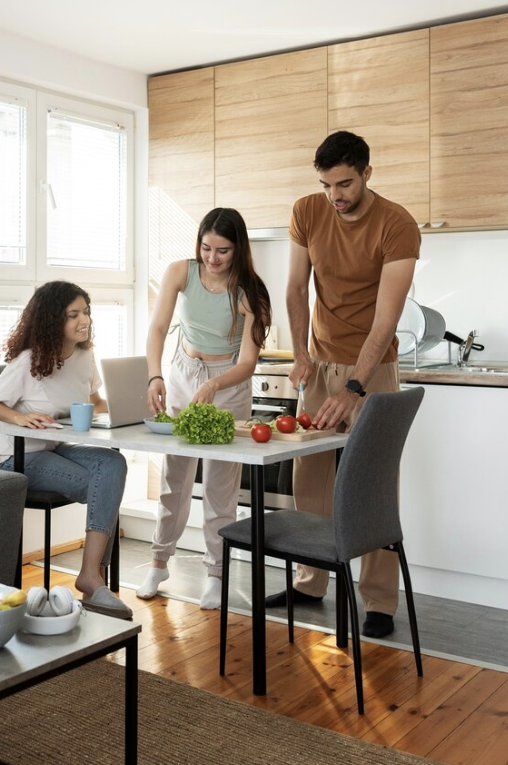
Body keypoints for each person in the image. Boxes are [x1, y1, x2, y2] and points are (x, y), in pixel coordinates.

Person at [275, 129, 421, 639]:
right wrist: (300, 355)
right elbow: (295, 288)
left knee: (372, 483)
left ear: (366, 173)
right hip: (319, 363)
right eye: (326, 184)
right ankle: (310, 582)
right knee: (309, 477)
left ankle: (378, 600)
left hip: (373, 369)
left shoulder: (397, 224)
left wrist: (354, 386)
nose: (334, 195)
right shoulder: (308, 211)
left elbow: (387, 316)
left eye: (344, 183)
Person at [138, 208, 272, 610]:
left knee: (219, 488)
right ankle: (159, 562)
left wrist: (215, 383)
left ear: (239, 249)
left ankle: (216, 573)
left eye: (223, 251)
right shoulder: (181, 272)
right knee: (174, 479)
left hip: (227, 384)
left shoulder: (251, 291)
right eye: (206, 248)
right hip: (182, 372)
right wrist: (154, 376)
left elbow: (248, 362)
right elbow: (159, 328)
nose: (212, 259)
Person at [0, 280, 132, 621]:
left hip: (53, 447)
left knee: (113, 464)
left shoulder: (84, 358)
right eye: (73, 315)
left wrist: (135, 406)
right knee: (102, 485)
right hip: (14, 458)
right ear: (52, 320)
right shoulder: (28, 360)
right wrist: (20, 417)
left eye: (86, 312)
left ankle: (91, 575)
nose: (85, 321)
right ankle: (95, 578)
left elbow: (95, 402)